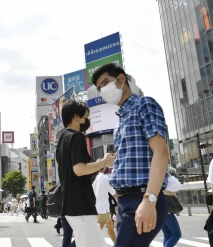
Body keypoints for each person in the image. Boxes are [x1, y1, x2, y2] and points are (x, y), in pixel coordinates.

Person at [92, 63, 169, 246]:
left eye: (106, 82)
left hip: (143, 197)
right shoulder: (119, 123)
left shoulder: (144, 105)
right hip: (124, 201)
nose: (103, 89)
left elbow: (161, 151)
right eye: (99, 88)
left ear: (121, 79)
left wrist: (150, 200)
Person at [56, 100, 114, 247]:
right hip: (81, 204)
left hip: (69, 204)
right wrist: (105, 162)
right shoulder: (77, 137)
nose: (88, 120)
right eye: (86, 116)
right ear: (76, 116)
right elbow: (80, 169)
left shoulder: (62, 138)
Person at [92, 159, 117, 244]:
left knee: (110, 226)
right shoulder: (105, 178)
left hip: (96, 208)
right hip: (103, 209)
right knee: (96, 234)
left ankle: (116, 243)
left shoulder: (93, 178)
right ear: (105, 167)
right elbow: (114, 193)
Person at [162, 172, 182, 247]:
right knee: (176, 234)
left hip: (159, 209)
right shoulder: (164, 177)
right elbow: (177, 186)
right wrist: (170, 176)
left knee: (167, 234)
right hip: (166, 209)